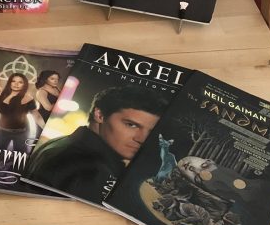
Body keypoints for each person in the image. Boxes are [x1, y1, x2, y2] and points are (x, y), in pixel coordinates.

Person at [24, 85, 168, 203]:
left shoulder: (65, 145)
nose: (142, 139)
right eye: (131, 125)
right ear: (100, 115)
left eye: (150, 132)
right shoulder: (90, 168)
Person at [0, 73, 43, 152]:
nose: (16, 84)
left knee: (20, 154)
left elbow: (37, 116)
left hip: (22, 131)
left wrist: (45, 129)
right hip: (2, 131)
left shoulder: (28, 98)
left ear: (24, 85)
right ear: (9, 82)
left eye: (20, 82)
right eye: (14, 81)